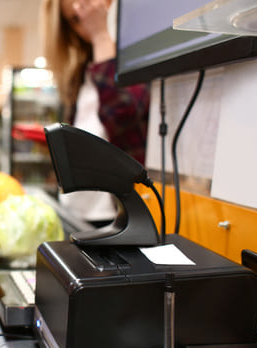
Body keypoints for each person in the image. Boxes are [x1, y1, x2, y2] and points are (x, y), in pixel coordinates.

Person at [41, 0, 150, 226]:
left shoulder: (137, 55)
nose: (86, 18)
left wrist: (101, 34)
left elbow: (123, 115)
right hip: (79, 212)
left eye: (88, 4)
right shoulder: (81, 73)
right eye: (75, 18)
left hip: (120, 215)